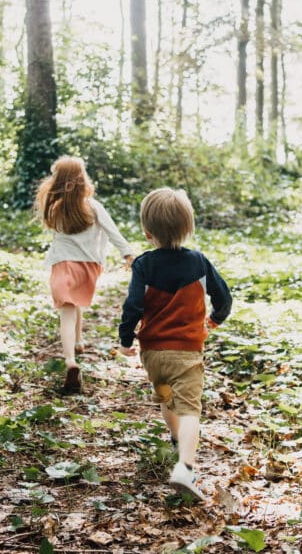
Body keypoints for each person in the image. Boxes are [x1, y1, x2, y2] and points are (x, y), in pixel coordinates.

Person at [119, 187, 232, 502]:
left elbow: (133, 306)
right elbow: (224, 299)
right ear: (188, 227)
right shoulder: (198, 262)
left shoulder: (143, 265)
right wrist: (213, 321)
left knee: (166, 397)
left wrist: (126, 337)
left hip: (154, 353)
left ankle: (175, 437)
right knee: (190, 409)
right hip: (187, 351)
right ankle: (185, 466)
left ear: (147, 231)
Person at [36, 156, 135, 394]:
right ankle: (79, 342)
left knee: (67, 310)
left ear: (57, 180)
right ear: (82, 180)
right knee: (75, 299)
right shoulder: (93, 206)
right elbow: (113, 232)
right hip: (89, 268)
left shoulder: (54, 206)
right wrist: (128, 255)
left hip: (63, 265)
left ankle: (70, 360)